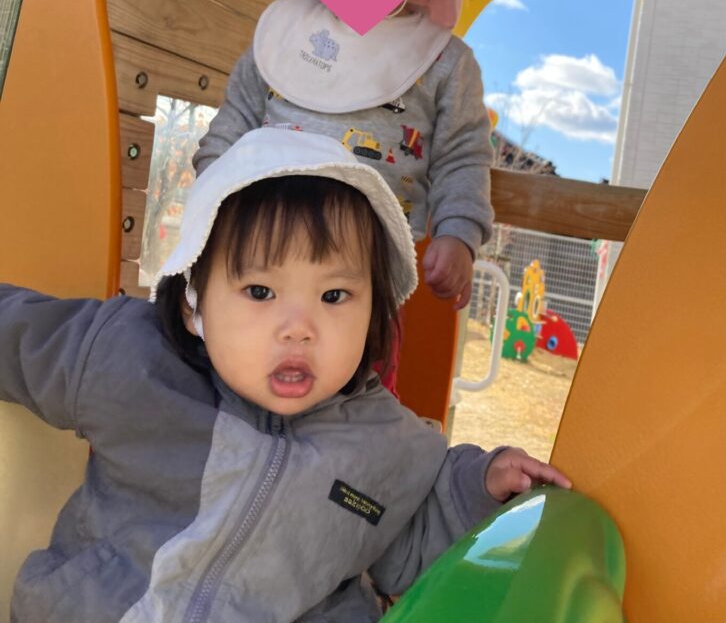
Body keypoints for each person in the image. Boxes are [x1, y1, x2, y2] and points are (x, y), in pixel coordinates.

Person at [0, 129, 570, 623]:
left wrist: (480, 485)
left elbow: (413, 535)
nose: (299, 328)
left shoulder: (385, 444)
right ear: (194, 305)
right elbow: (23, 337)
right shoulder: (132, 358)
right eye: (260, 291)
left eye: (334, 295)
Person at [194, 0, 494, 319]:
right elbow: (237, 116)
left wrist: (459, 233)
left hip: (360, 283)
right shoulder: (286, 33)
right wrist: (210, 194)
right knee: (239, 354)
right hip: (256, 253)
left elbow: (462, 156)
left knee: (354, 368)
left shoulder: (446, 63)